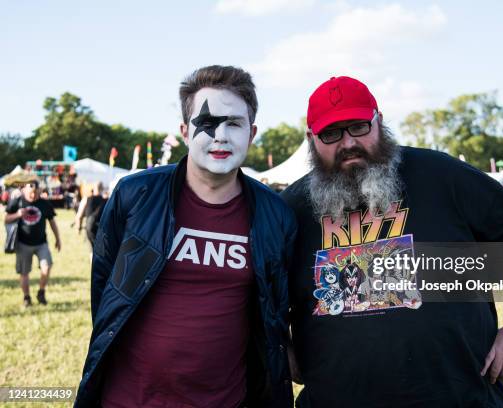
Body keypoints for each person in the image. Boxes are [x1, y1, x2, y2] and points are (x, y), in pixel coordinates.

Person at [281, 76, 503, 407]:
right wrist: (282, 348)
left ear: (378, 123)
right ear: (312, 139)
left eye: (358, 126)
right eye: (331, 133)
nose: (348, 143)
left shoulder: (441, 175)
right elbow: (254, 289)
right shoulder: (291, 208)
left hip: (457, 394)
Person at [75, 65, 296, 408]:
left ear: (252, 133)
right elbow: (106, 290)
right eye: (206, 124)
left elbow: (272, 314)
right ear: (183, 131)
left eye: (234, 123)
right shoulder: (136, 195)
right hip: (126, 399)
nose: (220, 136)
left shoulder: (275, 215)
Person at [4, 181, 61, 307]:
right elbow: (6, 218)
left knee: (47, 266)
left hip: (41, 243)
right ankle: (27, 298)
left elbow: (52, 222)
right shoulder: (17, 201)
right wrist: (18, 214)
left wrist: (58, 238)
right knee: (24, 273)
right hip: (23, 243)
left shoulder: (44, 203)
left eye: (35, 193)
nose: (33, 196)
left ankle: (41, 293)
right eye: (30, 193)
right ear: (24, 190)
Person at [74, 182, 107, 250]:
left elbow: (79, 216)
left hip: (90, 228)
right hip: (103, 229)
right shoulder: (107, 200)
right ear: (102, 189)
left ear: (93, 189)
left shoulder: (86, 199)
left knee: (92, 250)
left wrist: (78, 228)